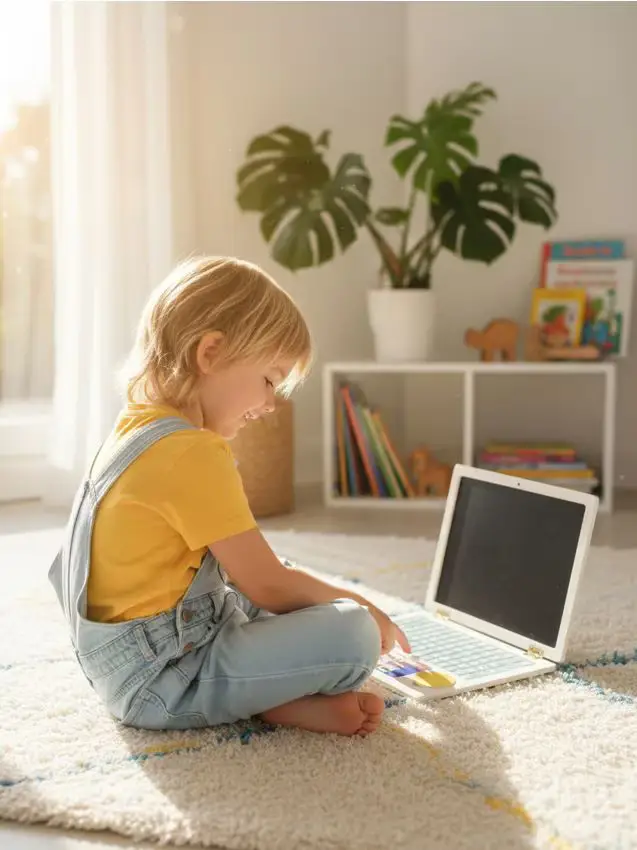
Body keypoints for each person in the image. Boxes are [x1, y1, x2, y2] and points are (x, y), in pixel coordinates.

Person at [49, 256, 410, 737]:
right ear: (211, 352)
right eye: (268, 379)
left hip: (125, 665)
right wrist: (363, 606)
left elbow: (248, 576)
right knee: (354, 634)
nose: (269, 404)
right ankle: (257, 698)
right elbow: (271, 587)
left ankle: (271, 699)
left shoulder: (135, 430)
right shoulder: (192, 454)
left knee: (268, 595)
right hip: (165, 680)